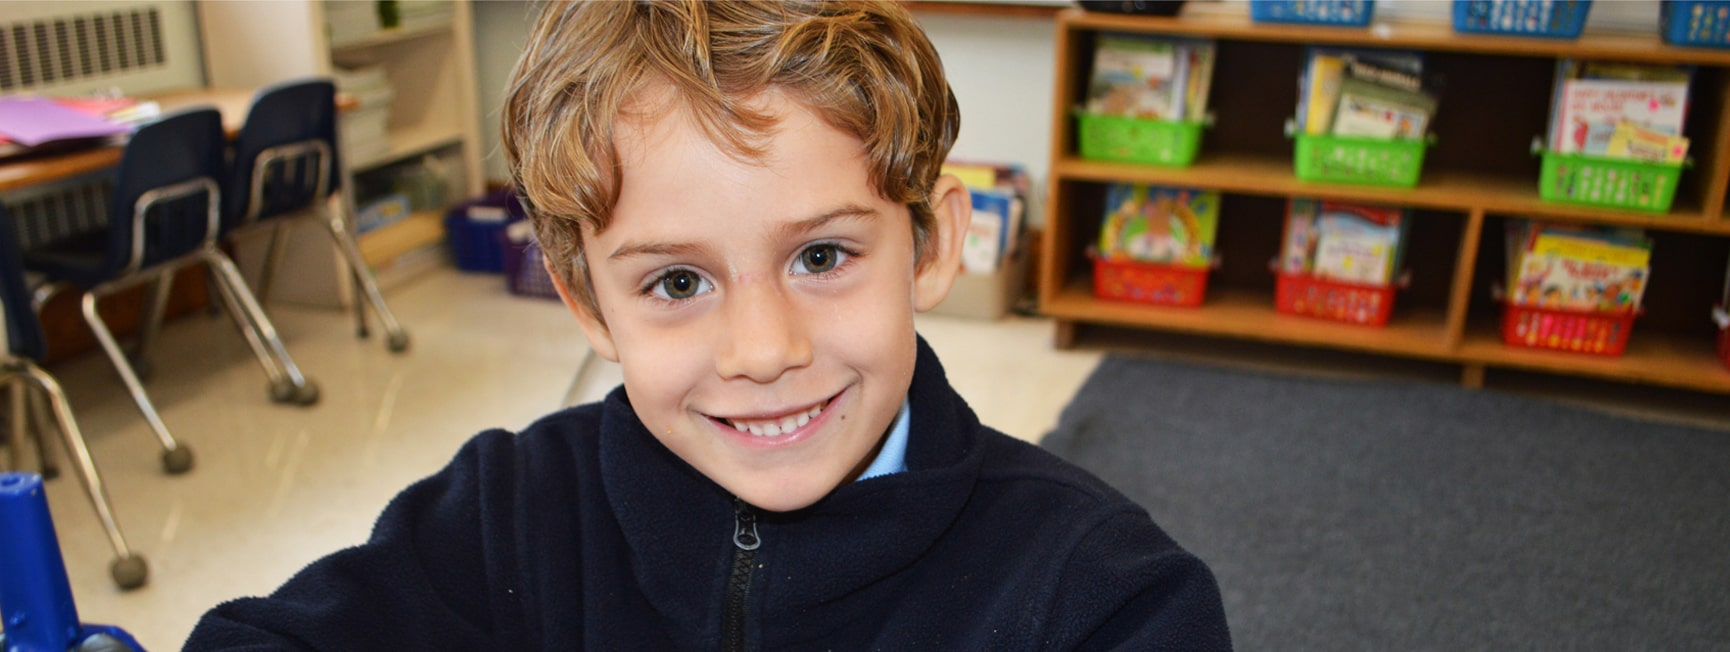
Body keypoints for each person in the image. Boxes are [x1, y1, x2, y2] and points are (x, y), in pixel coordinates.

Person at [185, 1, 1231, 649]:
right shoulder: (511, 510)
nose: (763, 351)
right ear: (584, 298)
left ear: (929, 244)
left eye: (821, 256)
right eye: (677, 282)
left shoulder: (1099, 594)